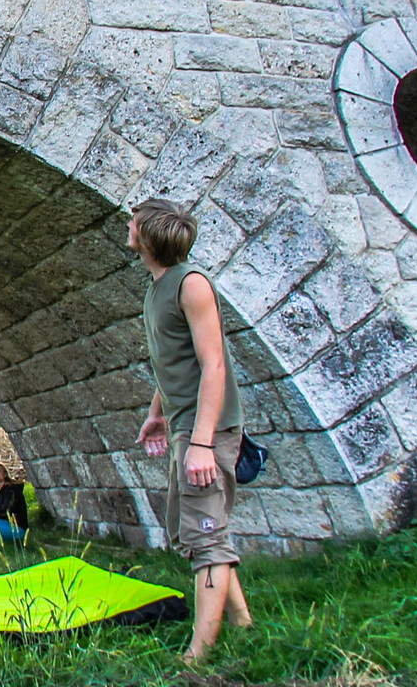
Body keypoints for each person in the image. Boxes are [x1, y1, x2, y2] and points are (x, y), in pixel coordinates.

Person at [128, 198, 252, 663]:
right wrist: (157, 412)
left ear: (147, 233)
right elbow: (171, 361)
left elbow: (213, 364)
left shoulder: (192, 284)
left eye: (133, 220)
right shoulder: (156, 286)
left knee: (205, 536)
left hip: (208, 430)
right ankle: (242, 622)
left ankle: (198, 655)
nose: (128, 224)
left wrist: (201, 442)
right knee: (193, 533)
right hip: (184, 424)